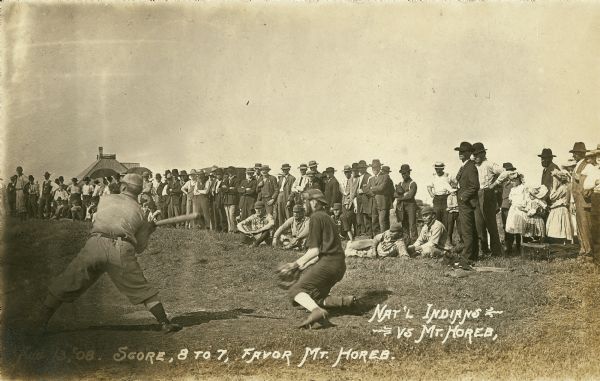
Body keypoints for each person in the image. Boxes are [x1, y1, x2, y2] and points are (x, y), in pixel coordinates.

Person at [34, 174, 182, 333]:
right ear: (139, 191)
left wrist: (146, 228)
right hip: (121, 249)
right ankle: (164, 322)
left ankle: (39, 323)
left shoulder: (105, 199)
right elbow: (139, 247)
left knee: (68, 280)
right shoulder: (141, 211)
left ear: (124, 187)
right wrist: (148, 230)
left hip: (95, 244)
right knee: (140, 288)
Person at [278, 189, 354, 328]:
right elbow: (322, 251)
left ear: (315, 202)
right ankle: (344, 302)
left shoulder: (315, 217)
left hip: (329, 263)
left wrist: (294, 265)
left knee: (295, 290)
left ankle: (317, 312)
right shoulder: (326, 217)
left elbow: (314, 251)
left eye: (305, 201)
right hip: (338, 265)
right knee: (313, 297)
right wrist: (302, 266)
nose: (303, 205)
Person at [472, 142, 509, 257]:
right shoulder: (473, 166)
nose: (476, 156)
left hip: (487, 194)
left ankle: (496, 251)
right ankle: (484, 250)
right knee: (479, 224)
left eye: (478, 154)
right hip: (476, 194)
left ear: (484, 153)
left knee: (491, 224)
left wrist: (494, 185)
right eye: (474, 154)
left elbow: (505, 172)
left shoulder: (489, 164)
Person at [454, 142, 480, 261]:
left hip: (467, 203)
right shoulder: (466, 166)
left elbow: (475, 186)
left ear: (469, 153)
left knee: (467, 230)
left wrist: (463, 196)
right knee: (470, 229)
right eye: (459, 151)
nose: (460, 153)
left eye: (463, 151)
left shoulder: (470, 167)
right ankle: (473, 254)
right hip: (465, 202)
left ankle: (467, 256)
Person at [570, 142, 593, 259]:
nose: (574, 155)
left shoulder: (588, 166)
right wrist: (573, 202)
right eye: (574, 153)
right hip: (577, 200)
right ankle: (583, 249)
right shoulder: (577, 166)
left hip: (584, 201)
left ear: (581, 154)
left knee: (585, 226)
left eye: (576, 153)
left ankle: (588, 252)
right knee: (579, 226)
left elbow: (590, 184)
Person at [582, 145, 600, 262]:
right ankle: (598, 259)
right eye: (598, 156)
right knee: (597, 227)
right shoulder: (594, 170)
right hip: (597, 198)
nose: (599, 158)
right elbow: (587, 185)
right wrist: (596, 182)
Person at [546, 169, 573, 244]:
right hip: (557, 209)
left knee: (559, 227)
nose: (554, 182)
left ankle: (561, 242)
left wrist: (554, 188)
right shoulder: (562, 187)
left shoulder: (562, 188)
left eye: (555, 180)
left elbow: (552, 197)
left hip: (560, 209)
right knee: (557, 227)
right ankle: (558, 243)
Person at [394, 164, 418, 243]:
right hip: (402, 206)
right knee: (404, 224)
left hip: (411, 206)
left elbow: (410, 196)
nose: (403, 175)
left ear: (409, 173)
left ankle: (414, 242)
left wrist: (400, 197)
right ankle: (406, 241)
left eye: (405, 173)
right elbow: (394, 194)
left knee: (412, 225)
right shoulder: (400, 183)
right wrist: (404, 194)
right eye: (402, 173)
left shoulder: (413, 183)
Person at [427, 162, 454, 230]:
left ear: (443, 168)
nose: (437, 170)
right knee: (436, 218)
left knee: (446, 219)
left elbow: (455, 183)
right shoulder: (433, 176)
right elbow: (429, 186)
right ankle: (437, 237)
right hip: (437, 199)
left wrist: (451, 193)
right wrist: (431, 194)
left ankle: (446, 237)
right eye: (436, 169)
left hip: (446, 198)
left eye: (439, 169)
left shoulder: (448, 176)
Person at [500, 163, 520, 254]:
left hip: (512, 206)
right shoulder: (503, 182)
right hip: (504, 206)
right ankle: (509, 246)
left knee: (513, 226)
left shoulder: (514, 183)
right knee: (506, 227)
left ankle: (515, 247)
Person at [340, 164, 359, 236]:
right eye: (345, 172)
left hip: (352, 203)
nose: (346, 173)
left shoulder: (353, 180)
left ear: (351, 172)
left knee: (354, 219)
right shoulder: (344, 181)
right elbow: (344, 192)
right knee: (345, 219)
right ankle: (346, 235)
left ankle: (356, 234)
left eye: (348, 172)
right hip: (345, 203)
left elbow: (352, 193)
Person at [276, 163, 296, 228]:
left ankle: (290, 229)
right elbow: (278, 188)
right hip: (280, 196)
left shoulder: (292, 178)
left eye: (286, 169)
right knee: (280, 214)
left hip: (287, 196)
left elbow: (293, 191)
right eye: (283, 170)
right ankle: (281, 230)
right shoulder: (281, 178)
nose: (285, 171)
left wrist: (289, 200)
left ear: (289, 169)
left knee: (288, 214)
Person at [355, 160, 372, 237]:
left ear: (365, 168)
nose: (360, 170)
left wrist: (363, 190)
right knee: (360, 217)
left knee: (367, 217)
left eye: (362, 168)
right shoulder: (358, 177)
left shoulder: (369, 177)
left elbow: (370, 189)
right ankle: (363, 233)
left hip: (366, 200)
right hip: (359, 200)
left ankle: (369, 234)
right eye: (359, 168)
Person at [223, 166, 240, 233]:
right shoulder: (226, 180)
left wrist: (226, 188)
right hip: (226, 201)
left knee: (232, 215)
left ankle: (234, 230)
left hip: (233, 200)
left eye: (231, 172)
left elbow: (236, 190)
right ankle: (230, 230)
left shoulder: (237, 180)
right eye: (229, 172)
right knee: (228, 216)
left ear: (234, 172)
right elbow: (222, 189)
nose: (230, 174)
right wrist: (229, 188)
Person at [210, 168, 227, 232]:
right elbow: (212, 188)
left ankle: (224, 228)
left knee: (222, 214)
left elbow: (225, 189)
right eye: (217, 175)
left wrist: (220, 190)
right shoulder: (215, 181)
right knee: (216, 214)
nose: (218, 176)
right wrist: (212, 191)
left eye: (219, 174)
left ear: (222, 175)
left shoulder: (224, 181)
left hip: (221, 198)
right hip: (215, 198)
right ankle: (217, 228)